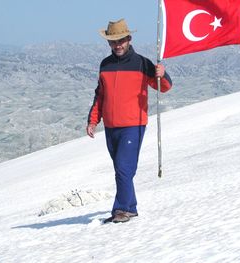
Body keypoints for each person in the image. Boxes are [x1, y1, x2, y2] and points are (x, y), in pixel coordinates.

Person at [86, 19, 172, 223]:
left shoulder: (142, 63)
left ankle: (122, 209)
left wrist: (163, 74)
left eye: (121, 41)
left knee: (124, 168)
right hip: (111, 127)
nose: (117, 45)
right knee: (120, 168)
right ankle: (130, 206)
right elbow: (100, 95)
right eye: (113, 42)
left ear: (129, 39)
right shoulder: (105, 65)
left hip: (134, 125)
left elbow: (164, 86)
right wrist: (93, 120)